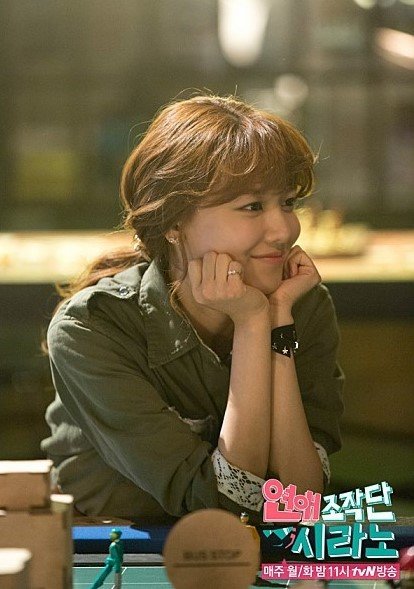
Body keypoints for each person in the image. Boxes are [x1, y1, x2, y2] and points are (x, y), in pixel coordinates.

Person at [41, 94, 344, 523]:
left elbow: (300, 502)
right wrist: (252, 322)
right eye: (253, 206)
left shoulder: (300, 306)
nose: (284, 230)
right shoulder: (90, 329)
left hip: (249, 550)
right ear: (174, 220)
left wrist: (270, 321)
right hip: (112, 550)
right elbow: (226, 505)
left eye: (288, 203)